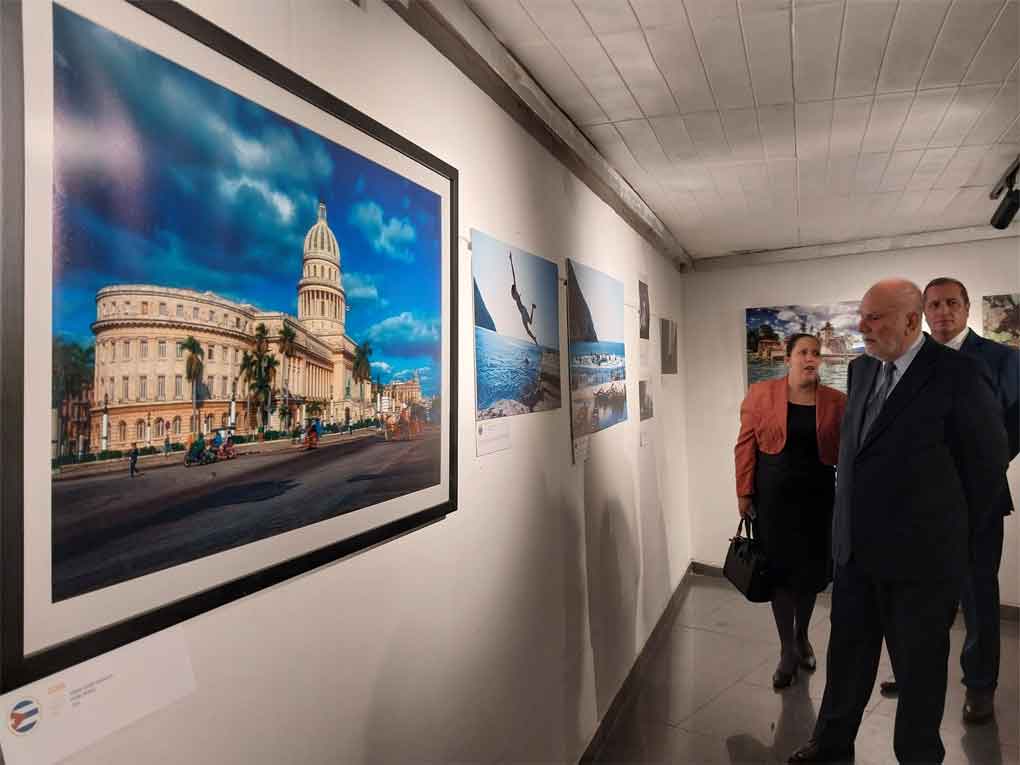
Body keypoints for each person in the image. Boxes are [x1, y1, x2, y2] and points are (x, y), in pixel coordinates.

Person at [788, 279, 1007, 764]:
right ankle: (831, 747)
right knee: (846, 662)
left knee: (919, 677)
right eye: (862, 315)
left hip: (921, 567)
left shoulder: (958, 374)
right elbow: (856, 453)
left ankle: (918, 756)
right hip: (856, 558)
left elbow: (985, 472)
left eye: (874, 318)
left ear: (911, 322)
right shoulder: (863, 369)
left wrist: (947, 548)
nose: (861, 326)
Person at [877, 277, 1019, 724]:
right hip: (920, 502)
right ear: (921, 312)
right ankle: (917, 673)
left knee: (977, 594)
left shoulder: (1000, 358)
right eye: (933, 304)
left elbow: (1012, 427)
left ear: (966, 308)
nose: (943, 312)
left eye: (951, 303)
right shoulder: (909, 361)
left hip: (977, 499)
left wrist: (972, 471)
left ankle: (980, 686)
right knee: (921, 594)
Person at [735, 334, 847, 689]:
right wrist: (744, 491)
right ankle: (786, 649)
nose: (810, 358)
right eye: (803, 352)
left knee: (810, 576)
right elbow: (745, 445)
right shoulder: (761, 393)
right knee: (780, 575)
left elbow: (849, 450)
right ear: (788, 358)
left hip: (818, 496)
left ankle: (802, 637)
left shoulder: (837, 401)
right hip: (773, 498)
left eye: (816, 353)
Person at [509, 251, 538, 345]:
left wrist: (511, 260)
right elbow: (513, 276)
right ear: (514, 289)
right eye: (515, 287)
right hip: (523, 310)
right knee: (530, 323)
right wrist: (510, 260)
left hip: (522, 311)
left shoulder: (514, 296)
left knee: (527, 328)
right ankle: (532, 308)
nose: (516, 287)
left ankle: (534, 338)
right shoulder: (515, 295)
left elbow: (513, 275)